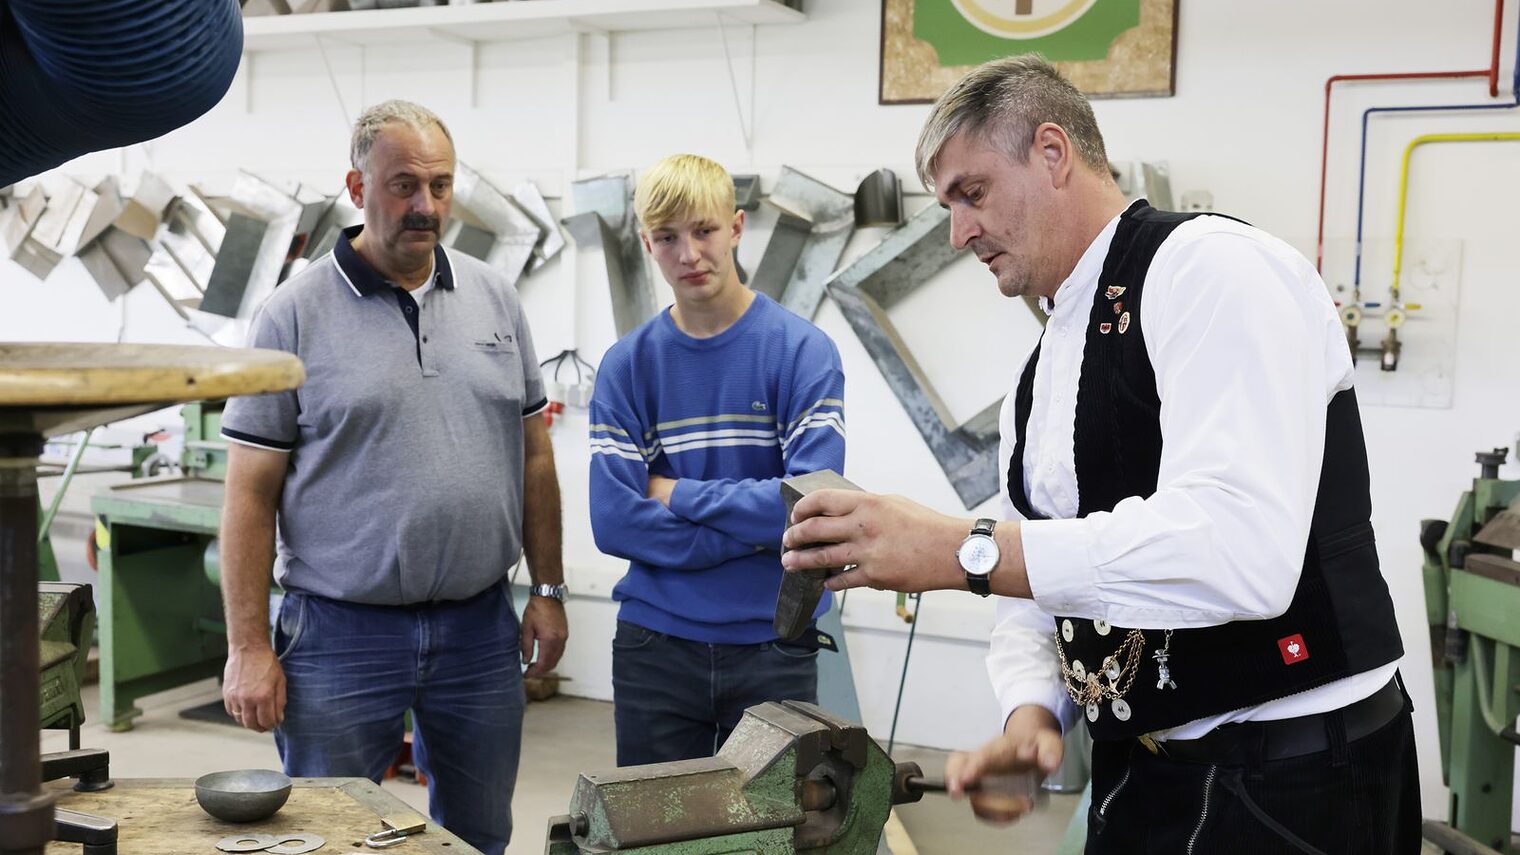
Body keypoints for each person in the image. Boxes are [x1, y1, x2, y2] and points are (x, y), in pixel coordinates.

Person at [780, 55, 1417, 853]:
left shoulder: (1210, 270)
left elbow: (1239, 549)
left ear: (1053, 153)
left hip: (1293, 779)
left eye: (972, 194)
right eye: (947, 206)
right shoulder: (1040, 373)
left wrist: (959, 549)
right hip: (1142, 771)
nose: (957, 233)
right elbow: (1033, 584)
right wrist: (1031, 711)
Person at [217, 99, 567, 855]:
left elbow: (534, 454)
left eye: (440, 186)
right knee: (326, 833)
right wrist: (247, 644)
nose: (426, 206)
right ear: (357, 185)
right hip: (341, 633)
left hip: (480, 629)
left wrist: (547, 589)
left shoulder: (495, 298)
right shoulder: (291, 315)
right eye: (404, 184)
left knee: (478, 836)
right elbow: (249, 494)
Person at [588, 153, 847, 766]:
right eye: (668, 238)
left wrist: (676, 494)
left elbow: (810, 511)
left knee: (772, 833)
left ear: (736, 227)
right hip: (656, 647)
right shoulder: (627, 366)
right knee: (655, 834)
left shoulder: (802, 353)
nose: (689, 255)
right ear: (648, 244)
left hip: (775, 645)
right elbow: (613, 523)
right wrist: (757, 532)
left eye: (703, 231)